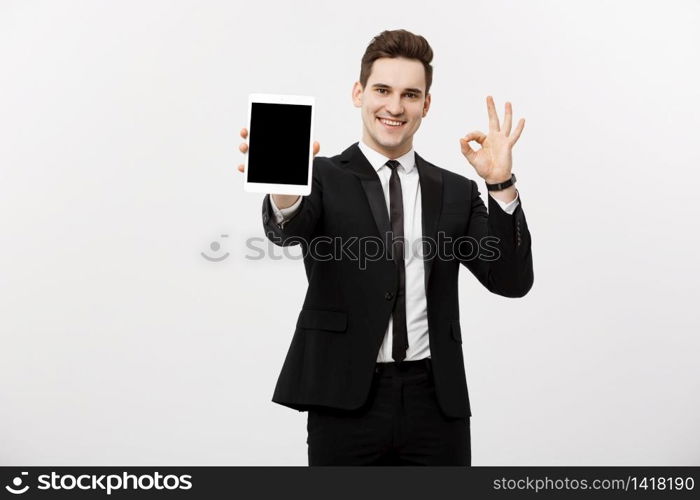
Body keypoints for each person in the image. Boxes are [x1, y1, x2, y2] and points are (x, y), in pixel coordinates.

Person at [236, 29, 533, 466]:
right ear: (359, 93)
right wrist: (284, 193)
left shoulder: (455, 190)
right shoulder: (321, 177)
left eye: (410, 94)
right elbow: (289, 229)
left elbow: (510, 280)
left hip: (436, 402)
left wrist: (500, 185)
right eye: (382, 90)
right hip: (343, 399)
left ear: (426, 105)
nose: (395, 107)